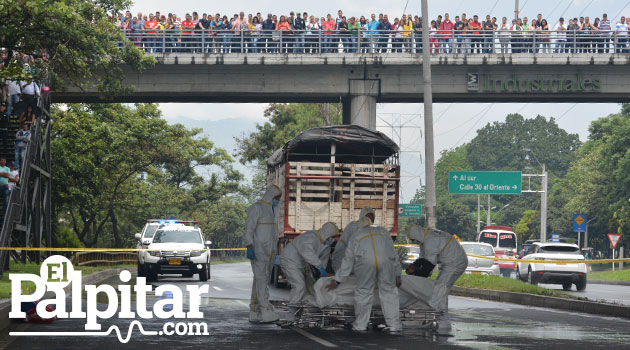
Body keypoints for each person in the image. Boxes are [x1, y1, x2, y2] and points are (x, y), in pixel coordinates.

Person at [326, 221, 402, 332]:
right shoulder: (383, 231)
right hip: (386, 260)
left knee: (364, 291)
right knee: (389, 291)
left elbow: (348, 260)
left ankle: (360, 325)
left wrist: (338, 280)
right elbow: (393, 253)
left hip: (364, 261)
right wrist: (397, 274)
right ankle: (395, 325)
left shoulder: (356, 235)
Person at [407, 225, 468, 334]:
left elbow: (428, 266)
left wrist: (415, 276)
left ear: (417, 235)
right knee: (441, 289)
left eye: (414, 239)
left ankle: (441, 320)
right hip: (450, 262)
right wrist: (414, 266)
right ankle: (440, 318)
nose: (414, 241)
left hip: (455, 262)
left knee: (440, 288)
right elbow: (422, 259)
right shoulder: (425, 238)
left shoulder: (430, 240)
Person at [280, 222, 339, 320]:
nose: (332, 240)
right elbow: (306, 252)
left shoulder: (326, 246)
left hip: (301, 264)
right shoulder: (311, 236)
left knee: (308, 286)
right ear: (327, 234)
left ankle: (298, 311)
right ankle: (291, 314)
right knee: (299, 286)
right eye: (331, 237)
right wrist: (319, 266)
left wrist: (321, 274)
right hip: (290, 260)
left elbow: (322, 262)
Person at [243, 184, 282, 323]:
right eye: (277, 198)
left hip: (269, 252)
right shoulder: (257, 208)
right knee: (262, 280)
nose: (278, 200)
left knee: (259, 280)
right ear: (271, 195)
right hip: (258, 250)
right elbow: (248, 229)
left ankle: (254, 311)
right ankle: (265, 309)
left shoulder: (272, 210)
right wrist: (249, 245)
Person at [332, 207, 375, 272]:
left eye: (372, 219)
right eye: (367, 218)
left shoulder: (372, 230)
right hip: (344, 257)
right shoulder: (352, 226)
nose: (369, 220)